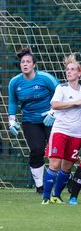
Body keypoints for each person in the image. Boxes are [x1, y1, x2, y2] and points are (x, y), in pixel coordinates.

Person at [8, 47, 59, 195]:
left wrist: (53, 112)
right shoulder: (15, 82)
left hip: (52, 119)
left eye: (28, 62)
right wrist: (12, 120)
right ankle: (39, 186)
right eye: (22, 62)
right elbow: (12, 102)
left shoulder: (45, 78)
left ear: (34, 65)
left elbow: (61, 92)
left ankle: (63, 181)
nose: (25, 64)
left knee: (56, 151)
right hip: (30, 121)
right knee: (36, 150)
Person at [40, 54, 81, 205]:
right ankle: (46, 197)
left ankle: (56, 196)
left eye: (72, 69)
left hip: (77, 134)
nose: (69, 72)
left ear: (79, 72)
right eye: (67, 70)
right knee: (55, 164)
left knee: (67, 166)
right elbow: (55, 105)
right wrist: (75, 103)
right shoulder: (61, 88)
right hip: (60, 131)